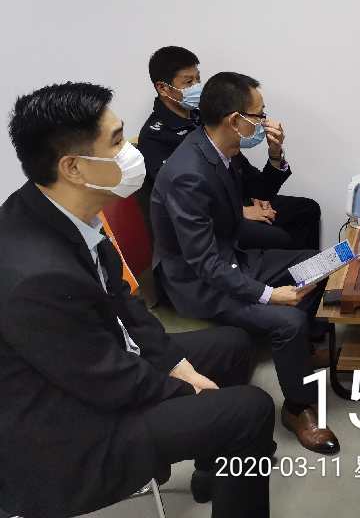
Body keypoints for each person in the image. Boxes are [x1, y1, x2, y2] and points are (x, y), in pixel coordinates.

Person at [0, 82, 274, 518]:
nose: (131, 152)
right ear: (73, 167)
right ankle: (223, 438)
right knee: (250, 411)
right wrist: (185, 388)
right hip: (69, 433)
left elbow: (126, 303)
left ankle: (214, 467)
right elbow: (106, 380)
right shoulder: (36, 277)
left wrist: (178, 365)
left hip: (99, 361)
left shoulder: (64, 210)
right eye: (116, 141)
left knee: (234, 345)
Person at [150, 71, 340, 454]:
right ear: (234, 120)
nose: (265, 121)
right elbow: (204, 264)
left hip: (230, 259)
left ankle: (300, 351)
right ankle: (298, 408)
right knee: (288, 320)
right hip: (199, 282)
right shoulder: (188, 174)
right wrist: (269, 294)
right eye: (259, 114)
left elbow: (260, 190)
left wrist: (275, 155)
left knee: (321, 263)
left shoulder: (223, 149)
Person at [138, 45, 321, 250]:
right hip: (214, 219)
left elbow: (253, 181)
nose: (197, 87)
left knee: (307, 210)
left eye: (198, 79)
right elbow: (183, 201)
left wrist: (275, 156)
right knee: (280, 238)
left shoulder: (205, 117)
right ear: (163, 88)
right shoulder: (154, 137)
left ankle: (313, 269)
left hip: (239, 201)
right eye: (188, 82)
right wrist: (240, 210)